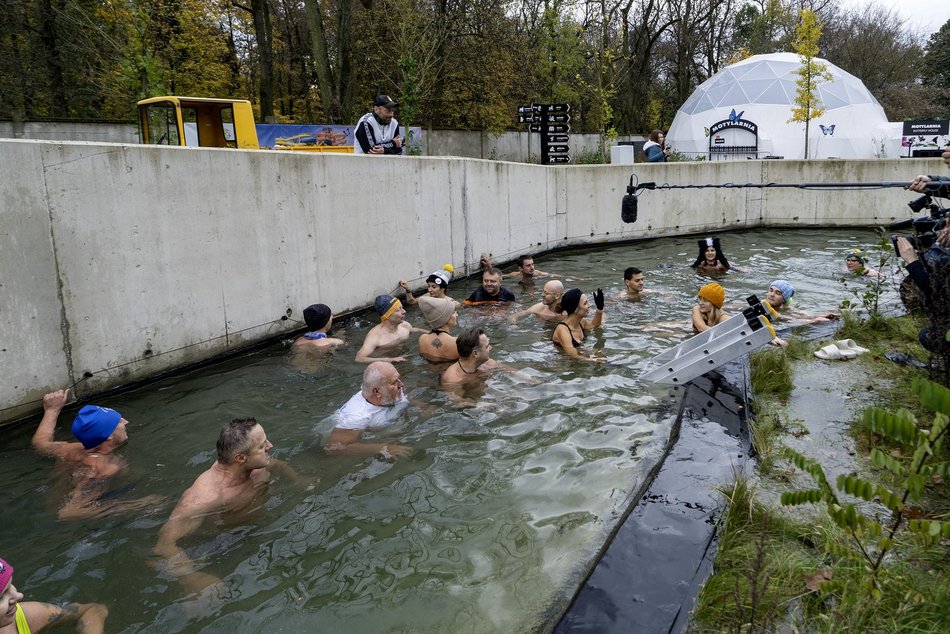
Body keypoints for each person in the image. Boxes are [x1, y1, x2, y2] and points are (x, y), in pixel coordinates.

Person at [154, 418, 309, 595]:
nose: (270, 445)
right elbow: (164, 545)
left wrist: (299, 480)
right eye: (262, 445)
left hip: (254, 529)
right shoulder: (204, 497)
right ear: (240, 457)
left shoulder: (256, 465)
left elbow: (279, 465)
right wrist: (193, 578)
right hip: (216, 545)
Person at [30, 389, 163, 520]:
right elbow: (69, 511)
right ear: (109, 437)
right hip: (64, 512)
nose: (125, 422)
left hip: (49, 498)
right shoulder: (104, 467)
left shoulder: (69, 449)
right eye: (119, 422)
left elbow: (40, 443)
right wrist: (139, 505)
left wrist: (52, 410)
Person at [324, 362, 412, 459]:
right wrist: (383, 449)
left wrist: (423, 406)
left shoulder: (389, 391)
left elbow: (404, 397)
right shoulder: (357, 417)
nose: (401, 384)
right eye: (394, 382)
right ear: (377, 391)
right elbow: (333, 448)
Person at [0, 557, 109, 633]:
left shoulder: (27, 617)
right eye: (1, 597)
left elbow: (93, 610)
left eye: (10, 585)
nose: (19, 596)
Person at [355, 295, 424, 363]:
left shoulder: (404, 325)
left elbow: (416, 330)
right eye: (398, 310)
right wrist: (388, 360)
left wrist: (431, 333)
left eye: (402, 308)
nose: (404, 311)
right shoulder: (375, 336)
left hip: (402, 356)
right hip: (384, 364)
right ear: (387, 316)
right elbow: (359, 358)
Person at [552, 288, 605, 360]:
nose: (589, 306)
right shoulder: (563, 330)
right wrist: (594, 360)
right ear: (575, 309)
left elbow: (593, 326)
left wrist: (599, 309)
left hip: (580, 355)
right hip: (564, 363)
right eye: (585, 303)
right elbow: (573, 354)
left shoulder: (581, 322)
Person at [764, 280, 837, 324]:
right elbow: (785, 318)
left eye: (778, 293)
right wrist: (814, 321)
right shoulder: (762, 306)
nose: (772, 294)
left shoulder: (785, 307)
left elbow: (802, 313)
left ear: (784, 299)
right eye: (771, 290)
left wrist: (821, 316)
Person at [417, 295, 460, 362]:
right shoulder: (456, 342)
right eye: (454, 312)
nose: (457, 315)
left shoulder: (422, 339)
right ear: (446, 318)